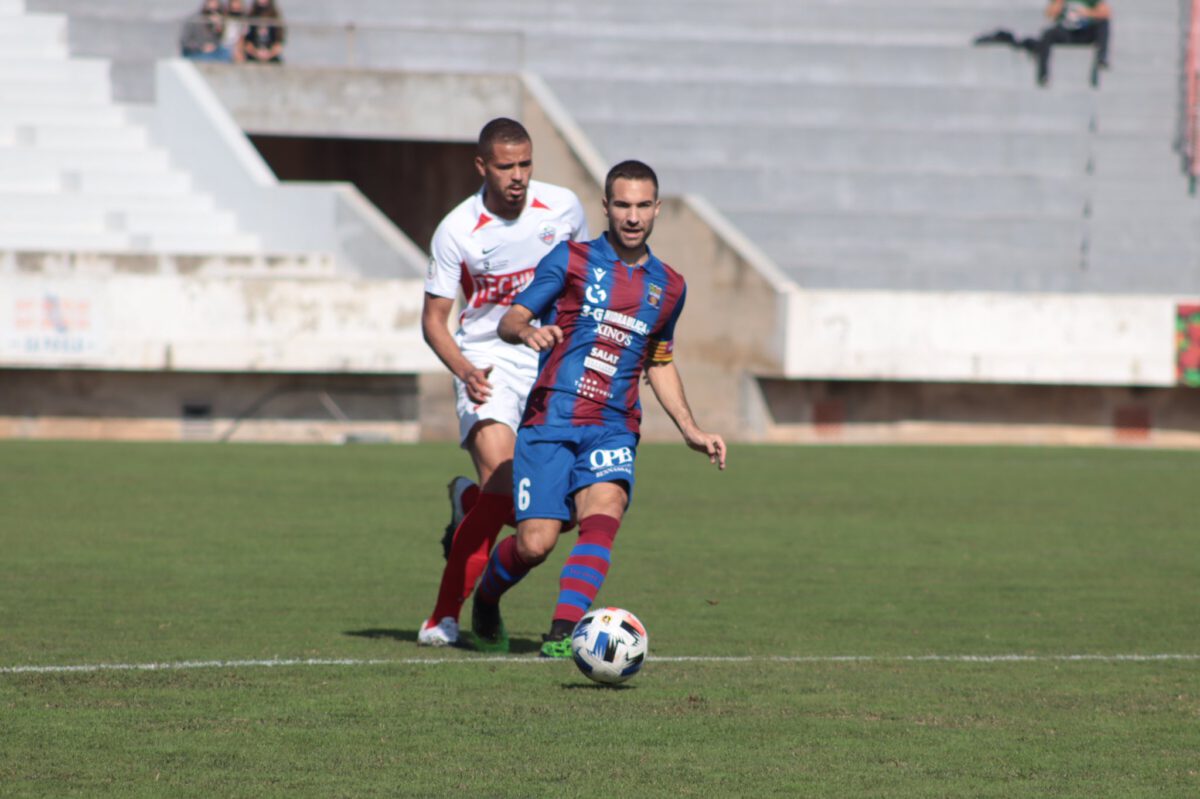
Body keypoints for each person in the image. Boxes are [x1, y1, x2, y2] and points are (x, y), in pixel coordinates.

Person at [471, 159, 728, 658]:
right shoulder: (569, 260)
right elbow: (511, 319)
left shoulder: (669, 286)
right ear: (607, 207)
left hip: (613, 426)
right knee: (535, 545)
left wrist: (690, 429)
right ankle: (486, 596)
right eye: (623, 205)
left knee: (604, 512)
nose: (633, 217)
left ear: (657, 209)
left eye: (643, 206)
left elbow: (658, 358)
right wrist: (528, 331)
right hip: (552, 421)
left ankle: (564, 633)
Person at [417, 118, 589, 648]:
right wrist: (464, 370)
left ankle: (468, 508)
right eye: (505, 166)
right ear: (482, 167)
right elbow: (433, 321)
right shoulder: (457, 230)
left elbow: (588, 281)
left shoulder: (563, 208)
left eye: (525, 164)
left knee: (547, 518)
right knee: (505, 489)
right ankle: (443, 617)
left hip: (550, 357)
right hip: (487, 360)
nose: (518, 176)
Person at [973, 0, 1111, 87]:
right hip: (1066, 32)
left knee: (1103, 25)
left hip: (1084, 33)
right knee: (1047, 34)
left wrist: (1087, 12)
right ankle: (1043, 75)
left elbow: (1106, 12)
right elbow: (1049, 14)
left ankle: (1102, 58)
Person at [242, 0, 286, 64]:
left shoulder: (275, 19)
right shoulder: (251, 18)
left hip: (271, 57)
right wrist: (256, 53)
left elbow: (279, 43)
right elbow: (246, 42)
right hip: (253, 56)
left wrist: (269, 54)